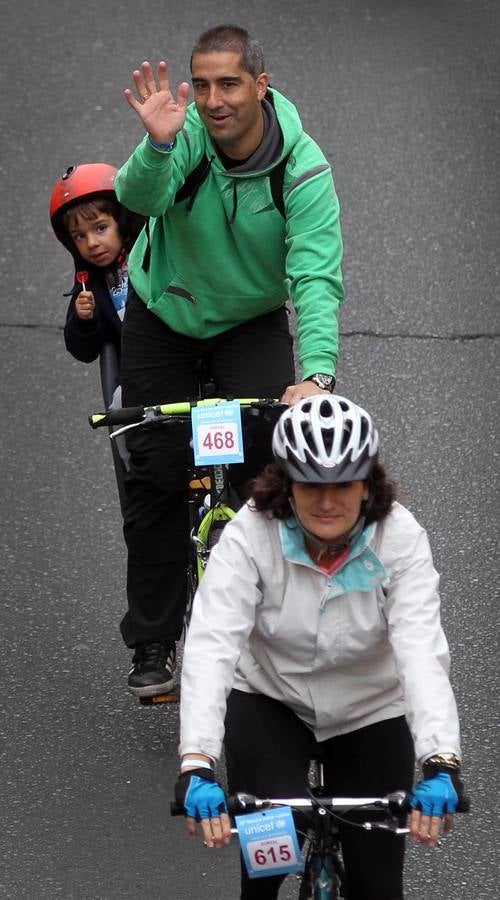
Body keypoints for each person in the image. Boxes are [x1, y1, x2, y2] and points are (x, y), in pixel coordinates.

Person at [113, 24, 344, 698]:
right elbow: (137, 200)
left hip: (248, 321)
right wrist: (158, 144)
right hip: (166, 313)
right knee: (154, 474)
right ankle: (155, 639)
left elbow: (317, 277)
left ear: (261, 87)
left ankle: (280, 629)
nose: (214, 100)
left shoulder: (301, 168)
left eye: (230, 84)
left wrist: (318, 375)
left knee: (271, 474)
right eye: (204, 84)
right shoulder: (183, 138)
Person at [175, 395, 466, 900]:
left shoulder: (399, 538)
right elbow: (212, 640)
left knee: (378, 886)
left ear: (367, 485)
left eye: (344, 485)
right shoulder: (250, 534)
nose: (327, 502)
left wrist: (440, 760)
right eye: (311, 485)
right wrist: (196, 761)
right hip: (271, 698)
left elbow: (420, 649)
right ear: (286, 485)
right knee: (266, 869)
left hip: (369, 708)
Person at [49, 162, 145, 365]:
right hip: (139, 373)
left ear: (122, 220)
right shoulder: (88, 286)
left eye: (100, 228)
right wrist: (85, 321)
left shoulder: (152, 252)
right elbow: (84, 352)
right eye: (79, 236)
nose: (92, 243)